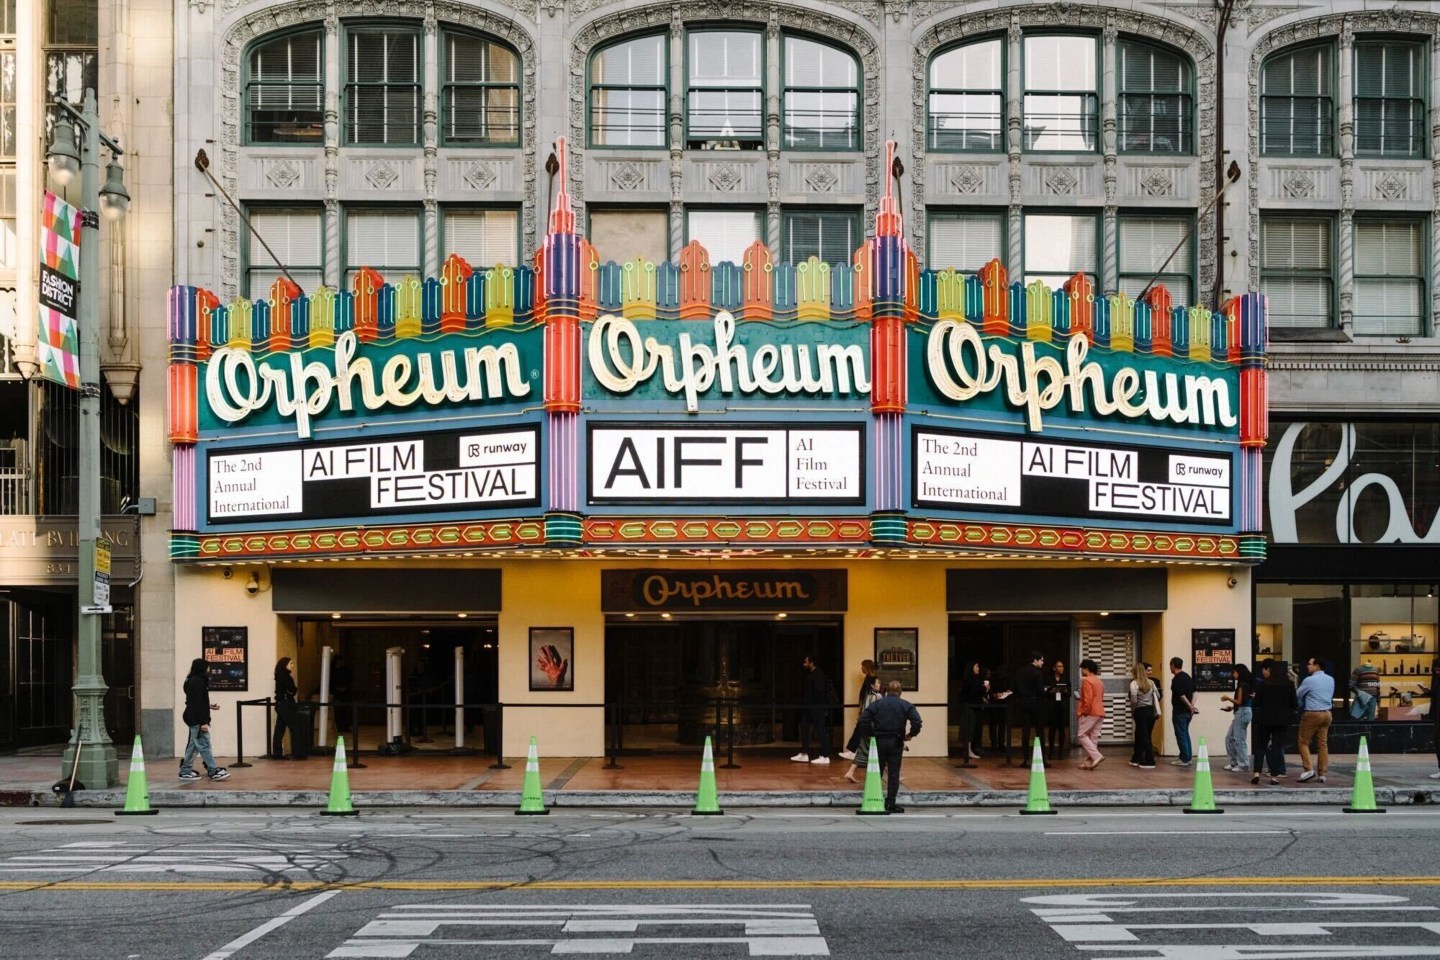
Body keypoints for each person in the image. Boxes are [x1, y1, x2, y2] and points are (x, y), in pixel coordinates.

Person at [858, 680, 922, 813]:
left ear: (886, 691)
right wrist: (911, 734)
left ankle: (874, 799)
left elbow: (863, 720)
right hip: (896, 741)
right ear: (900, 692)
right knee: (893, 773)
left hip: (879, 741)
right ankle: (890, 803)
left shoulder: (877, 704)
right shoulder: (906, 705)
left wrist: (870, 734)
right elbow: (917, 722)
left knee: (877, 772)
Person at [179, 658, 230, 781]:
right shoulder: (199, 681)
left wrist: (209, 706)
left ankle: (185, 770)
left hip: (191, 715)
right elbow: (197, 702)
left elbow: (194, 700)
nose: (209, 669)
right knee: (204, 744)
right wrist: (203, 722)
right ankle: (213, 770)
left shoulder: (191, 679)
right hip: (197, 718)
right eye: (207, 667)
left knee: (194, 745)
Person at [1251, 659, 1296, 785]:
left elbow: (1257, 702)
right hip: (1281, 720)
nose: (1263, 672)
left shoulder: (1263, 684)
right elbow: (1294, 703)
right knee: (1277, 747)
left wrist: (1256, 698)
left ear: (1268, 669)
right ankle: (1274, 776)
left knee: (1260, 746)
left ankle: (1256, 774)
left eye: (1263, 670)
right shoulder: (1289, 684)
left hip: (1265, 719)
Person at [1296, 656, 1335, 783]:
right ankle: (1322, 773)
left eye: (1310, 664)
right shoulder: (1330, 679)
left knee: (1303, 742)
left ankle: (1308, 769)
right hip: (1327, 714)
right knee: (1322, 744)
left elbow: (1298, 695)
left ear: (1316, 666)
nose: (1307, 666)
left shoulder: (1309, 680)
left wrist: (1300, 705)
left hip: (1312, 713)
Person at [791, 655, 834, 765]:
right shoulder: (810, 675)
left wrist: (818, 706)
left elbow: (819, 693)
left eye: (806, 662)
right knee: (804, 727)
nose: (804, 664)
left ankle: (825, 756)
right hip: (809, 707)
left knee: (821, 730)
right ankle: (804, 753)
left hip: (816, 707)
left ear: (811, 663)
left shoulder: (818, 675)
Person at [842, 674, 883, 782]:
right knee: (881, 750)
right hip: (871, 727)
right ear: (872, 685)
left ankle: (850, 772)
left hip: (865, 725)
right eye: (877, 683)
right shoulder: (875, 697)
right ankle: (892, 776)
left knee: (863, 749)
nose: (879, 684)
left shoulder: (867, 696)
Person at [839, 659, 879, 761]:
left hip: (868, 709)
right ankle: (855, 751)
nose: (861, 668)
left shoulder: (870, 680)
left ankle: (853, 751)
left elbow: (867, 696)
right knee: (862, 730)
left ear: (866, 667)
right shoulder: (871, 678)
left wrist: (863, 710)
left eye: (862, 666)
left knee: (860, 729)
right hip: (868, 709)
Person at [1012, 651, 1046, 766]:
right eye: (1041, 660)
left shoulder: (1019, 671)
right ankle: (1042, 759)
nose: (1043, 662)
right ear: (1035, 660)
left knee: (1025, 731)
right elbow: (1040, 690)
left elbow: (1015, 688)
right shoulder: (1037, 673)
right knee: (1039, 731)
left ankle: (1026, 759)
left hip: (1023, 702)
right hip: (1035, 703)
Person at [1220, 663, 1254, 772]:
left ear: (1239, 673)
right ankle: (1234, 761)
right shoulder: (1245, 685)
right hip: (1241, 711)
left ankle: (1243, 764)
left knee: (1239, 739)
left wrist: (1227, 698)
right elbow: (1242, 702)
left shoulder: (1242, 685)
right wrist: (1232, 707)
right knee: (1229, 738)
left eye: (1234, 672)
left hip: (1242, 713)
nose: (1233, 675)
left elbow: (1239, 702)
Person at [272, 656, 306, 760]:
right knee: (295, 727)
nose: (292, 665)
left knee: (280, 729)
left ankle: (277, 753)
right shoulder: (286, 676)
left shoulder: (279, 675)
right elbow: (292, 690)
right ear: (285, 665)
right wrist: (294, 689)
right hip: (286, 705)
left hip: (280, 704)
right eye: (290, 663)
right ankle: (297, 753)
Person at [1128, 662, 1159, 770]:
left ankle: (1149, 760)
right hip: (1150, 711)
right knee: (1144, 735)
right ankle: (1137, 758)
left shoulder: (1134, 684)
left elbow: (1133, 700)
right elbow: (1157, 695)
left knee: (1143, 736)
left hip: (1140, 711)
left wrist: (1133, 711)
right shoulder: (1151, 682)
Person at [1168, 657, 1198, 766]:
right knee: (1185, 733)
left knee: (1181, 734)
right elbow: (1195, 692)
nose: (1170, 668)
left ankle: (1184, 759)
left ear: (1173, 666)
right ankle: (1187, 757)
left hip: (1179, 711)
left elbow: (1181, 695)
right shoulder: (1187, 677)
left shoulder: (1176, 680)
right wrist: (1192, 706)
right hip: (1188, 713)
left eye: (1170, 666)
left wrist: (1189, 706)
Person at [1075, 659, 1105, 769]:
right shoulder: (1099, 681)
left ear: (1086, 669)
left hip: (1091, 712)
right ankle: (1091, 762)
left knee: (1081, 734)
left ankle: (1096, 756)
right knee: (1093, 737)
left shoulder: (1087, 680)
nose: (1081, 671)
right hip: (1100, 711)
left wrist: (1084, 712)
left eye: (1082, 669)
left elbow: (1088, 699)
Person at [1044, 659, 1072, 761]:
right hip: (1052, 707)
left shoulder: (1066, 679)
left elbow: (1069, 694)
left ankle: (1061, 752)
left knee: (1061, 730)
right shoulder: (1049, 679)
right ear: (1054, 668)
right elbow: (1045, 692)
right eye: (1059, 666)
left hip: (1062, 707)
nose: (1061, 668)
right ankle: (1051, 751)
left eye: (1062, 666)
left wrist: (1064, 691)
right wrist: (1051, 691)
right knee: (1052, 729)